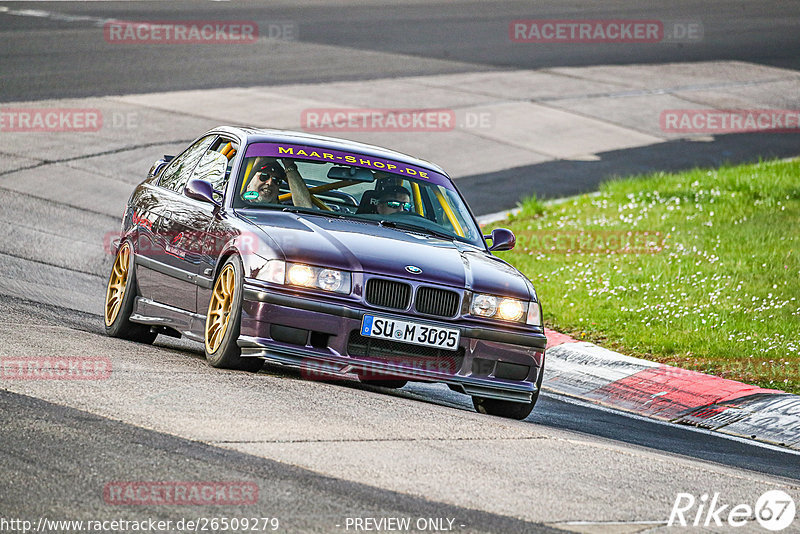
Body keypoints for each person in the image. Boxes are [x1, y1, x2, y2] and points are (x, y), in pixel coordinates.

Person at [242, 158, 313, 208]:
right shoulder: (235, 202)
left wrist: (289, 166)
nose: (270, 183)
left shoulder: (286, 210)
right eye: (264, 176)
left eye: (276, 180)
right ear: (249, 182)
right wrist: (260, 161)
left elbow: (305, 207)